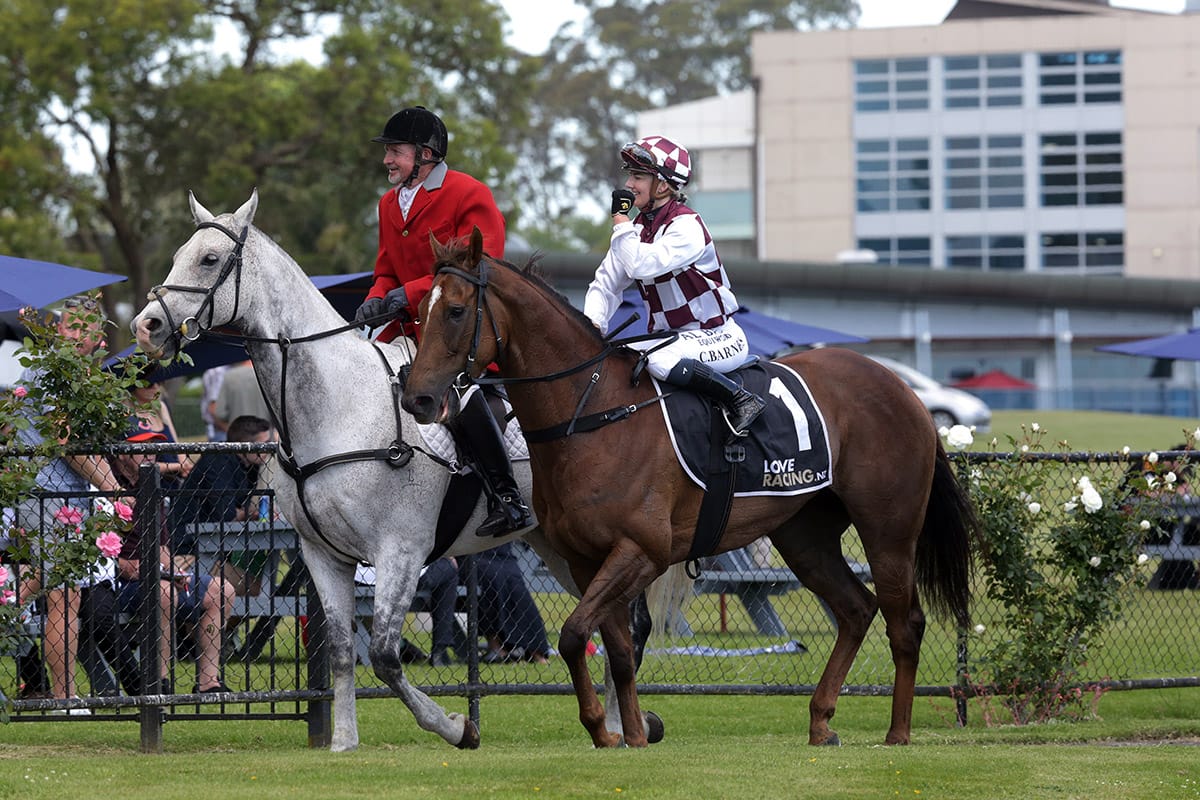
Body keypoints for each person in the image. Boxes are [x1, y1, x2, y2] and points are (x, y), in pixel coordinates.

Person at [352, 105, 529, 538]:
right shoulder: (388, 203)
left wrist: (406, 295)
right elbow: (385, 270)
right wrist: (376, 299)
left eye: (395, 151)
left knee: (466, 397)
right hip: (407, 332)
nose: (387, 161)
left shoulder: (469, 194)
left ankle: (508, 498)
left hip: (459, 331)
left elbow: (480, 264)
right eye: (388, 152)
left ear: (425, 154)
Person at [583, 135, 765, 437]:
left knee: (657, 359)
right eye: (630, 174)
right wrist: (592, 327)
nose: (629, 184)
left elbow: (642, 264)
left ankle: (740, 399)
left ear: (664, 185)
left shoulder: (687, 226)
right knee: (617, 357)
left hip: (718, 336)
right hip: (671, 338)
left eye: (638, 176)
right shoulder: (637, 229)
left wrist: (620, 221)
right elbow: (606, 284)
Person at [13, 296, 127, 706]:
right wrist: (113, 487)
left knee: (50, 588)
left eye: (86, 328)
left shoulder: (75, 375)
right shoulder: (54, 372)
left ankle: (65, 694)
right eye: (70, 326)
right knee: (64, 597)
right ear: (58, 329)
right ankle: (66, 699)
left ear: (100, 336)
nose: (77, 334)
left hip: (57, 497)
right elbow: (69, 444)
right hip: (51, 496)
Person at [109, 422, 236, 694]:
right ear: (121, 454)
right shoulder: (108, 488)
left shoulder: (152, 487)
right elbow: (100, 556)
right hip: (117, 584)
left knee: (221, 590)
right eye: (142, 448)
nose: (151, 454)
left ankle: (208, 681)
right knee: (165, 593)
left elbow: (163, 547)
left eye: (154, 447)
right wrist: (130, 568)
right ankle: (158, 680)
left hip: (155, 575)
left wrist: (171, 570)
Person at [168, 415, 274, 557]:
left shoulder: (249, 465)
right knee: (250, 576)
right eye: (263, 444)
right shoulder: (218, 461)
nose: (268, 449)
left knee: (257, 568)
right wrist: (246, 513)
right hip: (189, 545)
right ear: (243, 444)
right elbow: (226, 515)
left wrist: (245, 513)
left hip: (214, 541)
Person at [460, 543, 551, 664]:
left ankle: (535, 649)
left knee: (517, 588)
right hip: (471, 552)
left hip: (501, 551)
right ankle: (496, 646)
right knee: (493, 578)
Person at [127, 373, 192, 488]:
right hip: (146, 486)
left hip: (174, 482)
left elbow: (177, 446)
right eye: (149, 384)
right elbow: (139, 465)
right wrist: (177, 466)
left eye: (159, 382)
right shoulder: (127, 416)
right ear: (134, 385)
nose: (156, 386)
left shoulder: (160, 407)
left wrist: (184, 464)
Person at [211, 360, 272, 436]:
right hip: (265, 435)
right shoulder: (265, 374)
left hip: (240, 436)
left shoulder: (229, 377)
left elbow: (220, 413)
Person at [201, 365, 230, 441]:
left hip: (222, 431)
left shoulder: (218, 370)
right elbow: (213, 408)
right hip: (221, 431)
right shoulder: (219, 372)